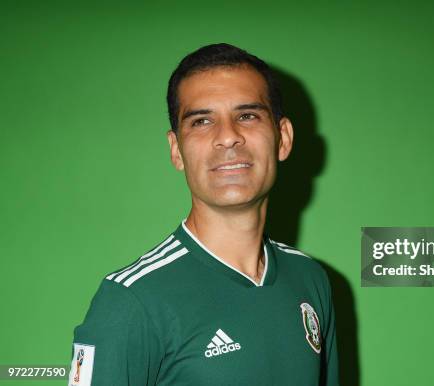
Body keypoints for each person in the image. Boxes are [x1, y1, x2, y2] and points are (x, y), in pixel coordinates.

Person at [67, 43, 338, 386]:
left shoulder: (310, 279)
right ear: (176, 150)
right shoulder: (131, 302)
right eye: (202, 121)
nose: (227, 137)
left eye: (247, 115)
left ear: (282, 138)